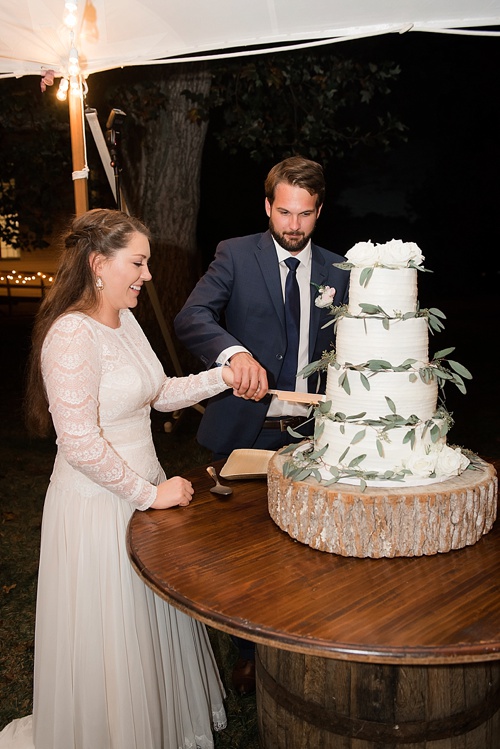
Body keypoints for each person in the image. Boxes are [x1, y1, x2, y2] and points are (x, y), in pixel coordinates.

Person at [0, 209, 236, 749]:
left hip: (142, 492)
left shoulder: (124, 318)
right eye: (139, 263)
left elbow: (156, 392)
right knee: (110, 633)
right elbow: (80, 444)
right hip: (99, 504)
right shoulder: (70, 336)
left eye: (146, 263)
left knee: (146, 626)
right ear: (97, 263)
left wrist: (221, 378)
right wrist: (150, 496)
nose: (147, 276)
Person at [174, 155, 350, 694]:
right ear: (268, 206)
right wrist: (233, 354)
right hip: (245, 430)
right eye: (284, 213)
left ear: (319, 211)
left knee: (306, 548)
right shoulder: (234, 254)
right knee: (240, 553)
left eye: (305, 215)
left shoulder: (340, 270)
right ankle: (247, 653)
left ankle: (304, 639)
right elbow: (192, 317)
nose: (293, 227)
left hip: (313, 435)